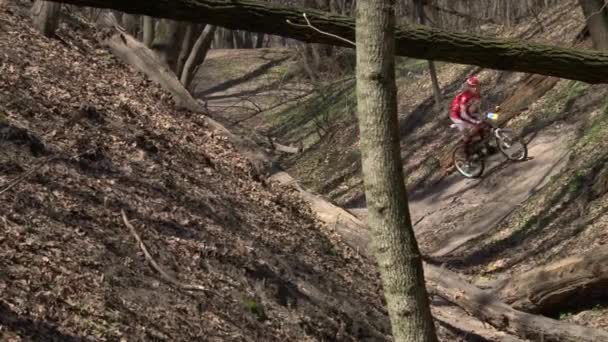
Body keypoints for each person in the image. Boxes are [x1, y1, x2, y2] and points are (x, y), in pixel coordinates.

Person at [448, 75, 487, 154]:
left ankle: (486, 147)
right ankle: (466, 155)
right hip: (456, 115)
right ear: (469, 87)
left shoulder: (477, 94)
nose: (475, 88)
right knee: (468, 131)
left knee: (482, 125)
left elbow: (480, 110)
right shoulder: (465, 97)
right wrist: (474, 121)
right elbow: (463, 115)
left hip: (467, 112)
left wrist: (493, 115)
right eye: (473, 87)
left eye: (477, 86)